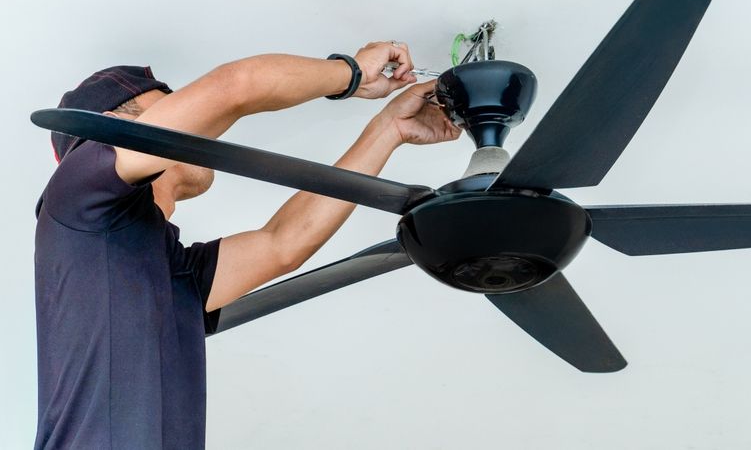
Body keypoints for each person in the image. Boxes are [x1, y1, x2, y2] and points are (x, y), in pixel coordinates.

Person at [33, 42, 461, 449]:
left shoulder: (162, 268)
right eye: (175, 104)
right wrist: (352, 74)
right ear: (118, 127)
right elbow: (234, 88)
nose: (202, 129)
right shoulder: (76, 195)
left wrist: (389, 128)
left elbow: (283, 244)